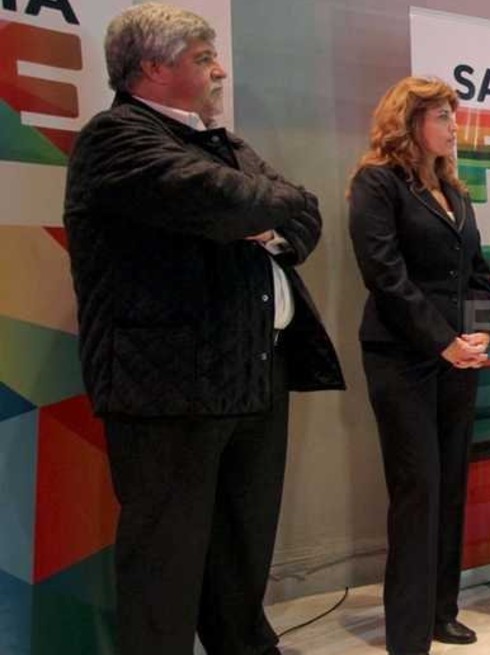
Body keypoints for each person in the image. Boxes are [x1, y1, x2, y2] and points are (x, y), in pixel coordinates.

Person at [61, 4, 345, 654]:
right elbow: (226, 202)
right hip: (170, 389)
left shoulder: (224, 143)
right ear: (153, 67)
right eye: (201, 58)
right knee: (165, 566)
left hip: (253, 375)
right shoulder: (116, 137)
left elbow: (302, 211)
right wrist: (257, 209)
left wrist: (263, 215)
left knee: (241, 554)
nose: (219, 71)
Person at [348, 77, 490, 653]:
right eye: (442, 115)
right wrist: (442, 341)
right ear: (409, 122)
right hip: (403, 358)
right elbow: (384, 275)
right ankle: (407, 632)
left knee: (452, 486)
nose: (454, 126)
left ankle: (442, 610)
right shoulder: (376, 183)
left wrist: (479, 332)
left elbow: (479, 276)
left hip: (458, 358)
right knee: (417, 490)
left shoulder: (455, 193)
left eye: (453, 116)